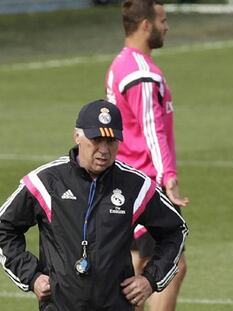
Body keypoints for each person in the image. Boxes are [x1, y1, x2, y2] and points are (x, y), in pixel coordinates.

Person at [0, 99, 188, 311]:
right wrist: (31, 276)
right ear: (77, 136)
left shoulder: (137, 186)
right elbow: (4, 227)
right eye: (96, 140)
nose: (104, 150)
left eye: (111, 141)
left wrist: (150, 280)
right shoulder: (45, 183)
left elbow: (176, 230)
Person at [105, 1, 188, 310]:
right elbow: (152, 131)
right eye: (162, 20)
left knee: (139, 269)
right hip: (146, 182)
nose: (166, 26)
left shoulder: (122, 63)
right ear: (145, 25)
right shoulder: (141, 73)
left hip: (130, 179)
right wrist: (170, 179)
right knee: (169, 266)